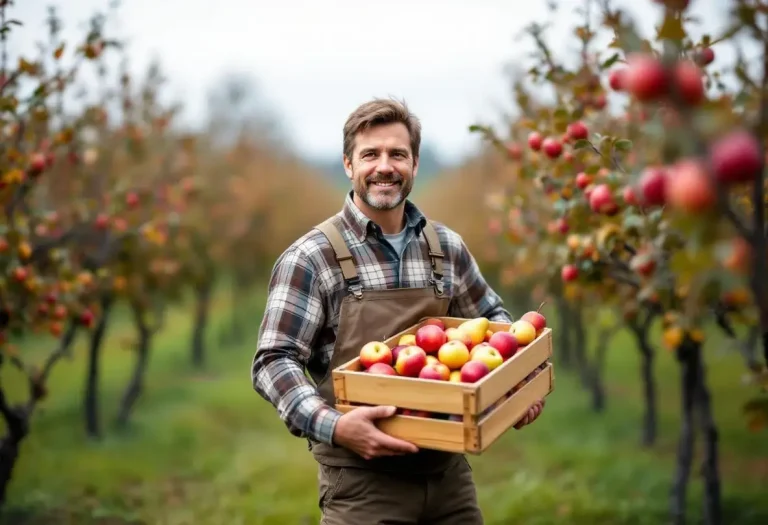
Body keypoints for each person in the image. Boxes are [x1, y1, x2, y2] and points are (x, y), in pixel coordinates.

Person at [251, 97, 545, 525]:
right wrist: (334, 425)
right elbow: (273, 360)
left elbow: (493, 319)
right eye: (370, 154)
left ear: (415, 164)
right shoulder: (312, 257)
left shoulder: (446, 248)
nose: (384, 166)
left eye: (397, 154)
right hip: (361, 483)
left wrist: (518, 386)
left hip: (448, 475)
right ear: (349, 165)